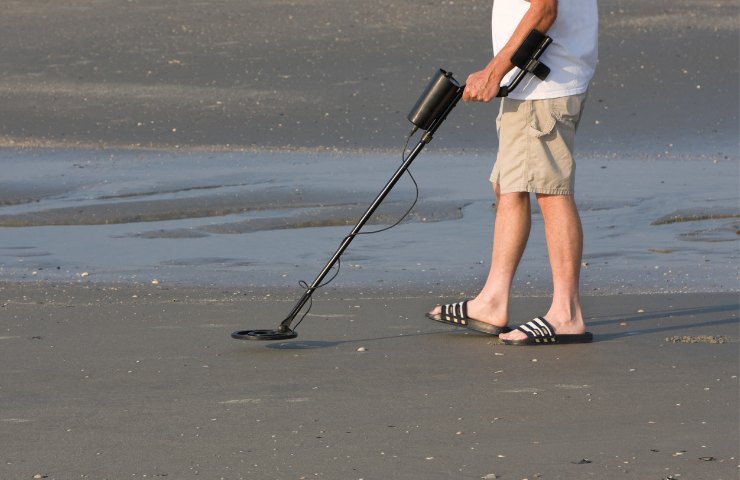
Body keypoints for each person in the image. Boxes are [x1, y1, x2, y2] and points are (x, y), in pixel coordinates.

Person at [427, 0, 598, 345]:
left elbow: (544, 9)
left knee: (551, 191)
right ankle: (492, 301)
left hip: (543, 86)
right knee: (508, 185)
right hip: (533, 79)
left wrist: (493, 71)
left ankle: (566, 313)